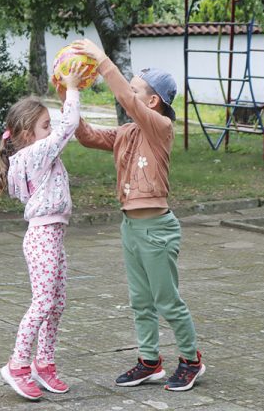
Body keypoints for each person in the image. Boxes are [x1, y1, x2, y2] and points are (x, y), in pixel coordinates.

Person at [69, 39, 206, 392]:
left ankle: (191, 360)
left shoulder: (161, 129)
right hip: (131, 228)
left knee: (167, 301)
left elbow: (127, 102)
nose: (128, 96)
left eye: (135, 91)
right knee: (141, 301)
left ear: (153, 101)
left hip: (157, 230)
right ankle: (149, 362)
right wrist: (68, 91)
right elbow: (86, 136)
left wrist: (102, 61)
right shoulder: (126, 132)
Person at [0, 63, 83, 401]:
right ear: (27, 134)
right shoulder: (35, 153)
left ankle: (44, 363)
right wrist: (72, 88)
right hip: (43, 238)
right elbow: (69, 127)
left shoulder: (29, 155)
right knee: (42, 303)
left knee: (57, 303)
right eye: (45, 126)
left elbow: (62, 131)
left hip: (52, 236)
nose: (51, 130)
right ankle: (17, 365)